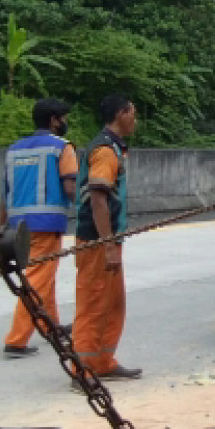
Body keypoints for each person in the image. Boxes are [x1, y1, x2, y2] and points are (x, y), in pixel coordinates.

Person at [0, 98, 77, 358]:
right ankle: (16, 340)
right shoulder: (61, 148)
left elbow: (4, 194)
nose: (65, 123)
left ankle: (50, 325)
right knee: (37, 279)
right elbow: (70, 186)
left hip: (18, 226)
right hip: (46, 224)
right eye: (64, 118)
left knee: (45, 276)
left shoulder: (14, 149)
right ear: (55, 120)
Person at [71, 95, 142, 380]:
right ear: (121, 114)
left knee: (112, 303)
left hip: (108, 240)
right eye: (132, 113)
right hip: (98, 242)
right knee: (93, 303)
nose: (135, 120)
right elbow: (98, 199)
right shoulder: (105, 151)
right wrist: (108, 245)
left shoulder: (114, 147)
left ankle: (103, 361)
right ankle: (83, 369)